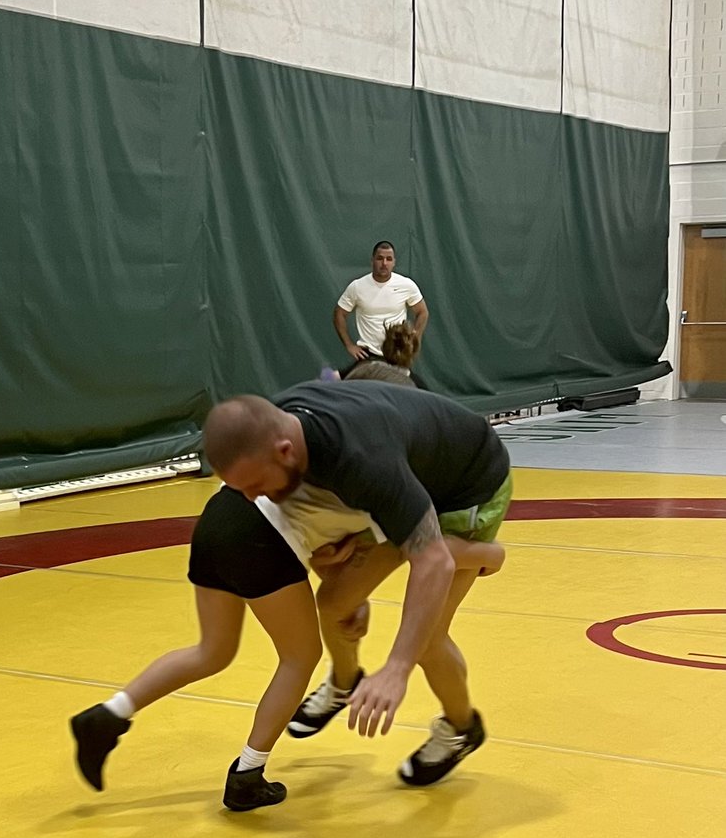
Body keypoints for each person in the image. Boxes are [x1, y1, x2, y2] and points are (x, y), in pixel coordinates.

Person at [69, 478, 505, 811]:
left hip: (218, 517)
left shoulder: (318, 432)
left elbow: (324, 549)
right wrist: (490, 556)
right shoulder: (377, 475)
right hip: (260, 540)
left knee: (212, 650)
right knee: (299, 657)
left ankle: (110, 713)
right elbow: (336, 553)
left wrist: (347, 589)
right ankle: (247, 774)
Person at [202, 380, 513, 785]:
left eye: (257, 487)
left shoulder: (362, 460)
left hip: (468, 486)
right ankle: (346, 681)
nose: (252, 499)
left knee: (427, 637)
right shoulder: (282, 424)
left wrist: (396, 668)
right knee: (333, 604)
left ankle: (461, 728)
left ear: (284, 452)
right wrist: (329, 566)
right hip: (409, 481)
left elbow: (431, 562)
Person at [333, 242, 428, 374]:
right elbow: (339, 313)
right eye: (380, 258)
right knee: (331, 379)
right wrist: (349, 345)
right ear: (372, 261)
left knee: (417, 391)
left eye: (389, 259)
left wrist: (415, 337)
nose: (384, 263)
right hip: (368, 356)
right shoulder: (357, 287)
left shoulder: (406, 285)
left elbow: (422, 312)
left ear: (394, 262)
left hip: (397, 356)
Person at [345, 321, 427, 389]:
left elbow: (334, 379)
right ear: (414, 353)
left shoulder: (363, 369)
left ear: (384, 347)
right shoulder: (419, 389)